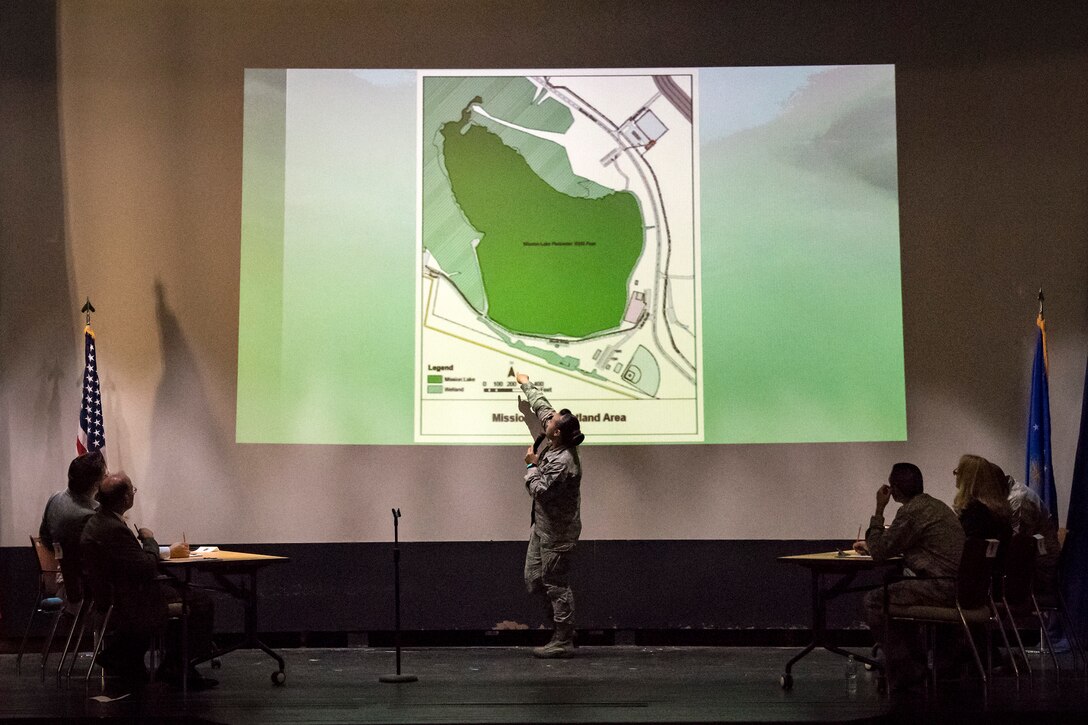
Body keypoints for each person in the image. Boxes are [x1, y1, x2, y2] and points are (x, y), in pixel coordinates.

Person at [80, 472, 216, 689]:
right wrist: (149, 540)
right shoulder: (114, 528)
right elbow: (146, 568)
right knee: (200, 602)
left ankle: (126, 654)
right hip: (132, 598)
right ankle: (179, 666)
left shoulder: (97, 522)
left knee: (181, 593)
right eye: (132, 490)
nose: (133, 494)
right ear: (125, 499)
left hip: (114, 595)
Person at [853, 462, 965, 698]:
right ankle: (913, 666)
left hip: (941, 586)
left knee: (875, 601)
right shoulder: (936, 506)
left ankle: (907, 672)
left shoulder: (911, 512)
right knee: (898, 593)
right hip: (960, 586)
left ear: (894, 489)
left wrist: (879, 509)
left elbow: (881, 552)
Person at [516, 371, 584, 659]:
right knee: (534, 579)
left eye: (552, 421)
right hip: (543, 527)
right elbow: (543, 407)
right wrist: (526, 384)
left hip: (558, 533)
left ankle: (563, 639)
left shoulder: (564, 462)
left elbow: (541, 491)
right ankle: (563, 624)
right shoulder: (556, 434)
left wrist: (532, 465)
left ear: (556, 433)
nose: (549, 417)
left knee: (556, 584)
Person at [39, 450, 107, 606]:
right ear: (97, 484)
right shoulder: (90, 516)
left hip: (67, 583)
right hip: (90, 589)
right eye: (105, 476)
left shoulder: (54, 499)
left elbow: (45, 538)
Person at [953, 454, 1013, 548]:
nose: (955, 474)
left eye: (958, 471)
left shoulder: (974, 513)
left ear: (967, 478)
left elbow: (963, 548)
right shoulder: (998, 511)